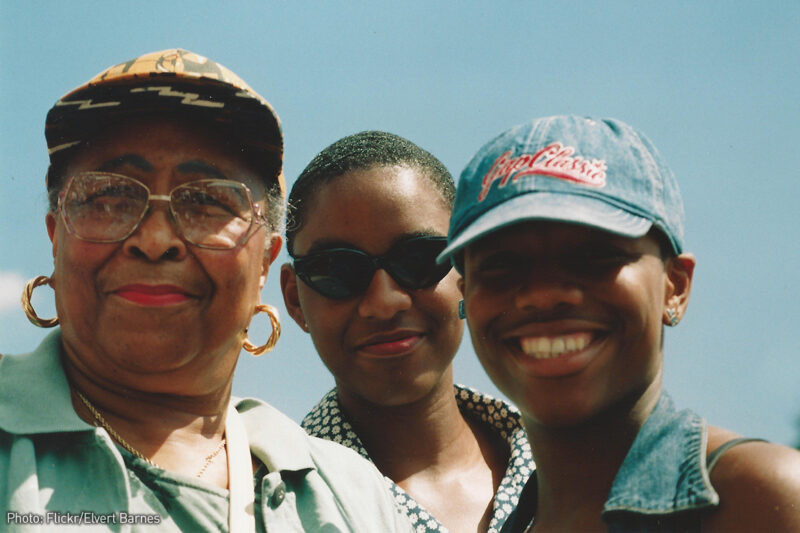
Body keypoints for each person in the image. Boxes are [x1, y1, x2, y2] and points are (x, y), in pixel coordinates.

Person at [0, 49, 411, 533]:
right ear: (56, 236)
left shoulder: (351, 498)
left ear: (266, 260)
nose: (154, 241)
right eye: (109, 197)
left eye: (207, 202)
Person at [437, 115, 800, 532]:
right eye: (501, 266)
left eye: (593, 257)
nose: (543, 294)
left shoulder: (761, 498)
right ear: (467, 297)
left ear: (674, 286)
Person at [280, 131, 533, 533]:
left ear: (467, 268)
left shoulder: (576, 467)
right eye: (339, 270)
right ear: (295, 299)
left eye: (419, 259)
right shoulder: (264, 507)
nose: (384, 302)